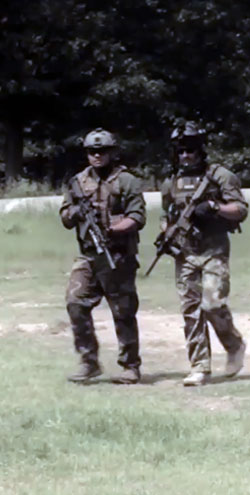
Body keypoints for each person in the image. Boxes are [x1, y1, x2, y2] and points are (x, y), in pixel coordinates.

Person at [160, 121, 248, 386]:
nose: (186, 156)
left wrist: (214, 207)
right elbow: (166, 215)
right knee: (191, 311)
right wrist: (167, 234)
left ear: (200, 150)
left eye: (191, 150)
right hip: (185, 253)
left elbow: (241, 209)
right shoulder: (171, 182)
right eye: (181, 151)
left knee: (212, 304)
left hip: (214, 250)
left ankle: (233, 345)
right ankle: (199, 366)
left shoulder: (220, 176)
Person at [60, 128, 146, 384]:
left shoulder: (126, 181)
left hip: (117, 255)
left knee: (123, 311)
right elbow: (65, 217)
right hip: (88, 256)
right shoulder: (77, 182)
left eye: (102, 151)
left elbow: (137, 217)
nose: (97, 155)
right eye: (92, 151)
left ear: (112, 152)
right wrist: (75, 212)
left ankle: (130, 365)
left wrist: (113, 230)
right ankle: (89, 361)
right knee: (75, 302)